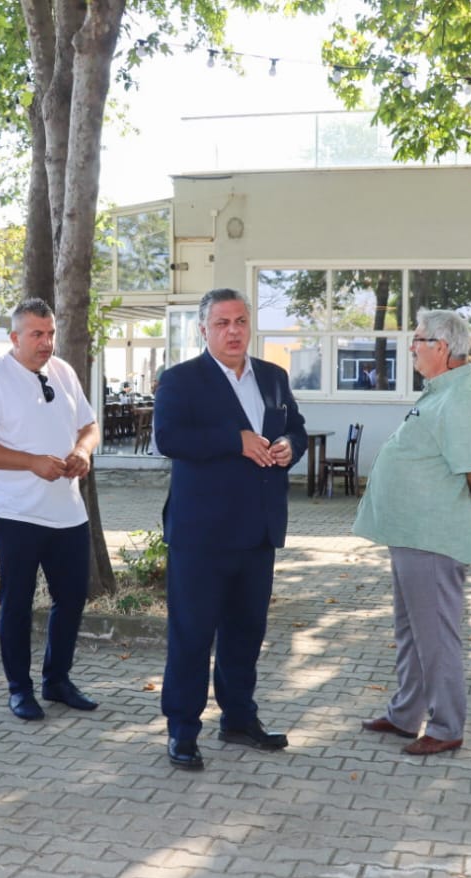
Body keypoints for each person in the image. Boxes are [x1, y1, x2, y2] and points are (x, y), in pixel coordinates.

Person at [152, 288, 307, 770]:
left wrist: (289, 446)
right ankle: (182, 730)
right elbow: (168, 438)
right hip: (202, 535)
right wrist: (233, 440)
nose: (233, 331)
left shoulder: (274, 377)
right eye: (222, 323)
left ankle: (238, 719)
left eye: (240, 321)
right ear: (204, 330)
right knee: (192, 636)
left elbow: (297, 428)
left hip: (258, 532)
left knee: (245, 633)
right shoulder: (181, 379)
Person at [355, 309, 471, 756]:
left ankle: (446, 725)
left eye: (417, 339)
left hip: (433, 538)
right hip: (413, 534)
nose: (411, 347)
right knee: (412, 630)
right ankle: (406, 713)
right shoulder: (441, 391)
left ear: (441, 347)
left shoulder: (461, 397)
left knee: (435, 634)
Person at [0, 298, 101, 721]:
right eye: (37, 334)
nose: (46, 342)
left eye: (50, 333)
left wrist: (82, 451)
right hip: (12, 511)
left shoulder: (64, 372)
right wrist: (31, 462)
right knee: (17, 603)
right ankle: (19, 690)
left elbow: (89, 426)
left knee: (71, 598)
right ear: (14, 337)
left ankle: (57, 680)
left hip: (67, 510)